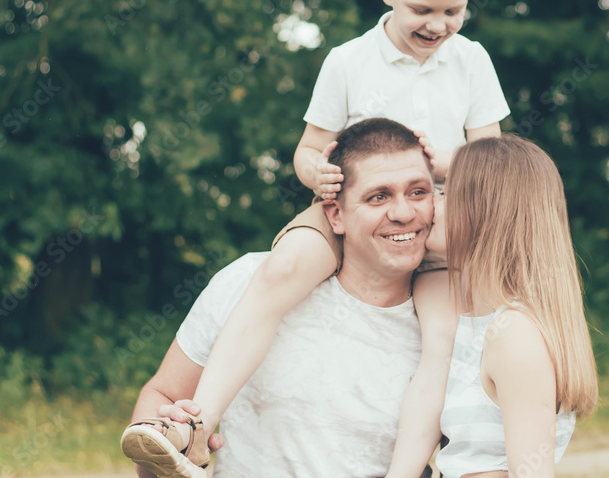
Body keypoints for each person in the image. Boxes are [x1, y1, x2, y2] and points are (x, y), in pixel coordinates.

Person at [122, 0, 510, 476]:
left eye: (453, 9)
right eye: (421, 9)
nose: (438, 24)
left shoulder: (472, 61)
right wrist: (316, 175)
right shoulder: (348, 61)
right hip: (344, 209)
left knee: (449, 335)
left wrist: (442, 160)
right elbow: (309, 149)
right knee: (279, 271)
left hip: (441, 214)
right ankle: (198, 424)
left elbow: (492, 162)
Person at [123, 119, 436, 477]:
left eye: (418, 192)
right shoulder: (249, 282)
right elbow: (163, 395)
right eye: (378, 197)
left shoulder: (449, 327)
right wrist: (166, 444)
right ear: (336, 215)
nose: (403, 213)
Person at [423, 135, 598, 477]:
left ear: (483, 214)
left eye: (444, 192)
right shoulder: (482, 321)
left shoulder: (514, 335)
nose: (430, 203)